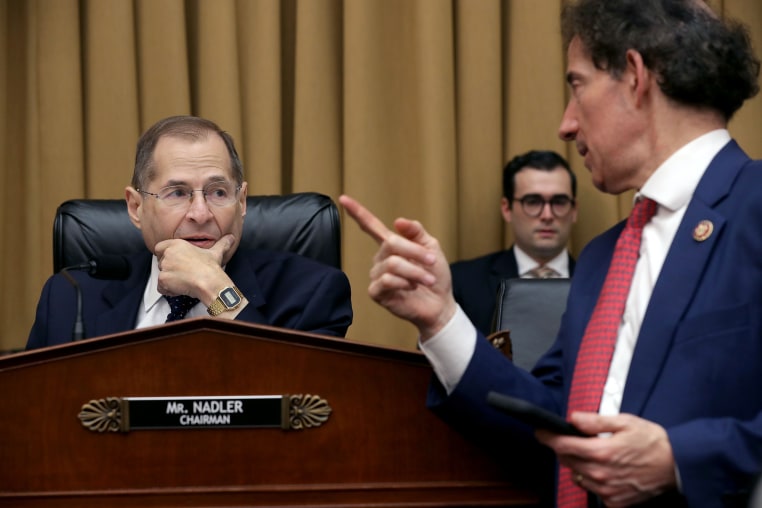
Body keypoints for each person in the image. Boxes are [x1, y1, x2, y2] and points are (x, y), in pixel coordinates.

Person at [339, 0, 762, 506]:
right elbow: (549, 424)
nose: (565, 125)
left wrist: (680, 459)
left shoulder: (754, 203)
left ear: (634, 76)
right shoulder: (605, 258)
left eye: (576, 85)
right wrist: (440, 319)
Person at [27, 115, 352, 349]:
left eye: (218, 193)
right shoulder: (71, 297)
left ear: (242, 202)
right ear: (136, 207)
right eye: (178, 193)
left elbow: (298, 401)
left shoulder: (312, 292)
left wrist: (213, 287)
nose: (200, 213)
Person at [450, 150, 578, 335]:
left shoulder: (603, 284)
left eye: (559, 201)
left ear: (574, 210)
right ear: (507, 209)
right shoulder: (463, 283)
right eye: (532, 201)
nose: (547, 215)